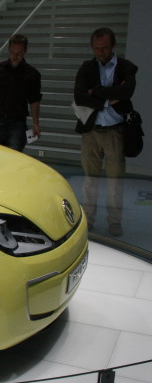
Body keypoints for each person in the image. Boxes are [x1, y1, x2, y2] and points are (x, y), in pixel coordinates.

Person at [73, 27, 137, 237]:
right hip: (91, 131)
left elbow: (126, 92)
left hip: (114, 132)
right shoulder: (87, 67)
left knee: (115, 181)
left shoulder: (126, 67)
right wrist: (109, 100)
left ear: (113, 46)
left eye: (105, 48)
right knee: (90, 179)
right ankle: (88, 219)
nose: (100, 52)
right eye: (97, 48)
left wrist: (96, 92)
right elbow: (80, 96)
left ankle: (114, 221)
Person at [0, 34, 42, 152]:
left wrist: (35, 123)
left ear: (25, 51)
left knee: (13, 156)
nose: (15, 56)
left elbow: (34, 100)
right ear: (9, 50)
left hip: (17, 123)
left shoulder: (32, 74)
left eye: (19, 53)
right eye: (12, 52)